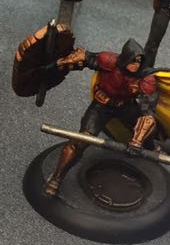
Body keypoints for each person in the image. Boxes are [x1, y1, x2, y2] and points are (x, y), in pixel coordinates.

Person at [42, 38, 158, 197]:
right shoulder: (109, 61)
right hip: (101, 107)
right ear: (125, 58)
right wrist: (56, 65)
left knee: (149, 128)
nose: (136, 65)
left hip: (125, 106)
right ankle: (56, 178)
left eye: (139, 61)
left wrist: (137, 142)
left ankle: (152, 147)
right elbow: (84, 57)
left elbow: (148, 112)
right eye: (133, 60)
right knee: (80, 141)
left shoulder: (145, 79)